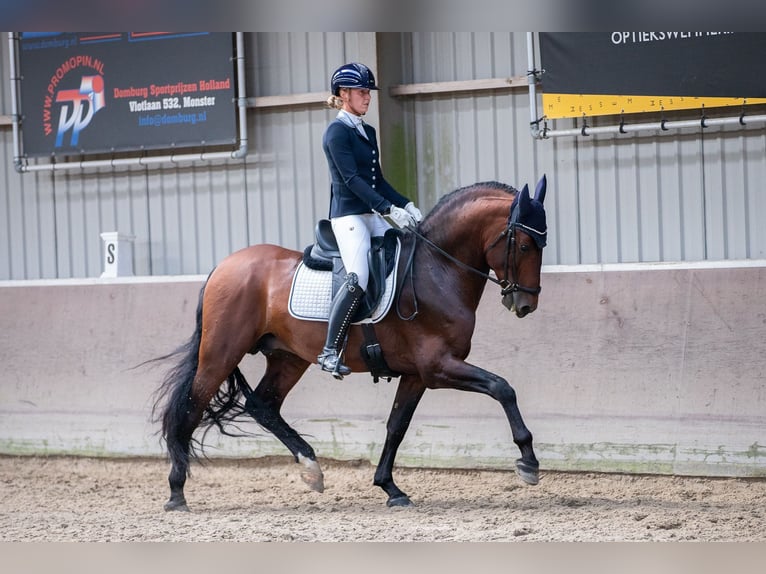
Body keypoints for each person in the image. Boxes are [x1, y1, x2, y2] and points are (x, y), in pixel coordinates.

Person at [318, 62, 423, 378]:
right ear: (344, 93)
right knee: (358, 277)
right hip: (349, 217)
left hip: (371, 213)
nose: (368, 97)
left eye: (368, 92)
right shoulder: (336, 132)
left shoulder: (367, 131)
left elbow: (377, 181)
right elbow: (352, 180)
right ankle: (329, 350)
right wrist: (387, 210)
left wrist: (406, 203)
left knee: (408, 253)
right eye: (362, 92)